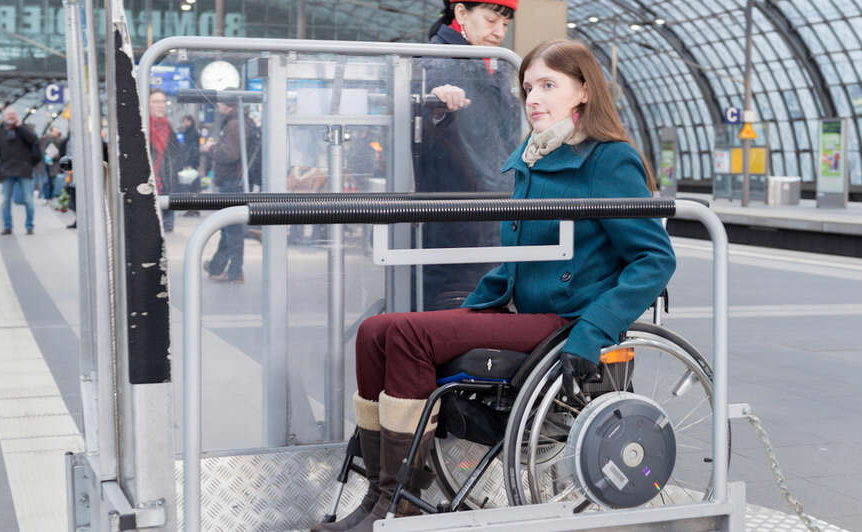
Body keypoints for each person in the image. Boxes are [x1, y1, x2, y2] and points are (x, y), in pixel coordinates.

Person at [312, 40, 676, 532]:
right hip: (522, 313)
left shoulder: (609, 161)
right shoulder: (533, 157)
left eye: (548, 85)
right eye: (528, 87)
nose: (533, 97)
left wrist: (593, 330)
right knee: (375, 331)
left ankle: (397, 499)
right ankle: (378, 494)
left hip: (568, 321)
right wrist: (475, 307)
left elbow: (654, 259)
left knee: (407, 336)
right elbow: (520, 257)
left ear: (584, 91)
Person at [417, 0, 522, 310]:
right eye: (491, 20)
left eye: (505, 25)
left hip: (482, 210)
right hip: (463, 212)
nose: (499, 32)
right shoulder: (438, 63)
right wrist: (436, 104)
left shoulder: (491, 63)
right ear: (461, 13)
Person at [201, 100, 245, 283]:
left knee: (232, 229)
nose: (217, 105)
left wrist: (211, 148)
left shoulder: (234, 125)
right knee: (228, 228)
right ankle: (217, 266)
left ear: (228, 104)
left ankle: (235, 272)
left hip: (232, 182)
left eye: (220, 102)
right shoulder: (235, 122)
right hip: (233, 180)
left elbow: (231, 154)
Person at [0, 106, 40, 235]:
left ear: (17, 116)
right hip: (7, 171)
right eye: (9, 115)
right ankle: (7, 226)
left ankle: (29, 226)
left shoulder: (24, 130)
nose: (11, 117)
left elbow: (34, 141)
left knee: (29, 200)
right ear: (4, 117)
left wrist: (20, 127)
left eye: (13, 114)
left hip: (24, 170)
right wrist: (0, 165)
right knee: (6, 201)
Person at [148, 89, 180, 232]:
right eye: (156, 102)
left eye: (163, 102)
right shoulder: (141, 128)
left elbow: (175, 158)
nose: (161, 105)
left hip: (166, 188)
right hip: (146, 187)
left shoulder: (169, 129)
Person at [178, 115, 202, 217]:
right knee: (192, 186)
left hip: (190, 163)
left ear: (191, 121)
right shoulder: (189, 132)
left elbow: (192, 149)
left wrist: (190, 163)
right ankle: (194, 208)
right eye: (184, 121)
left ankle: (192, 208)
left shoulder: (191, 133)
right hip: (190, 162)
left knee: (190, 187)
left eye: (186, 121)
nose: (185, 123)